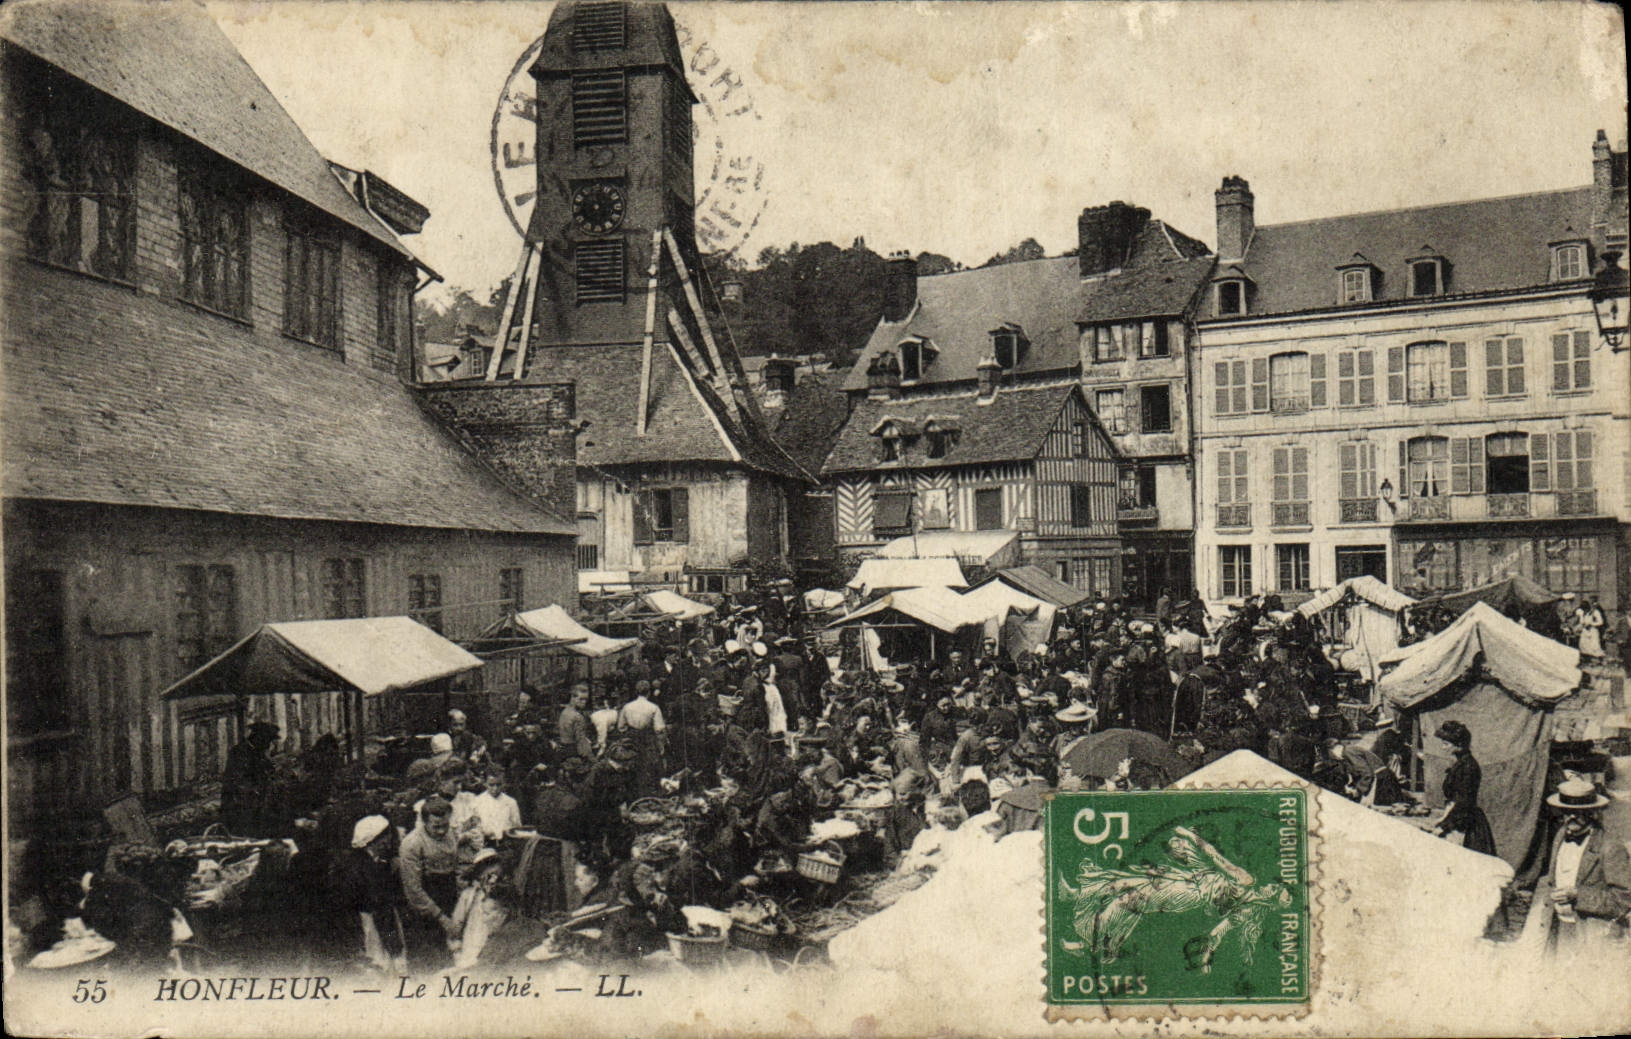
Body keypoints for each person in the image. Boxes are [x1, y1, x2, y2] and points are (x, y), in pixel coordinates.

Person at [1543, 778, 1631, 949]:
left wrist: (1578, 895)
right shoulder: (1561, 835)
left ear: (1593, 813)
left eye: (1580, 812)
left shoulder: (1610, 847)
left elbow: (1624, 901)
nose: (1572, 817)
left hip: (1595, 938)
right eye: (1566, 812)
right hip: (1561, 930)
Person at [327, 815, 405, 973]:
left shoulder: (359, 861)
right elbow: (380, 910)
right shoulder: (367, 869)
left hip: (366, 923)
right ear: (377, 840)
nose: (390, 842)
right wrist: (394, 945)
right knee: (381, 966)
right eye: (387, 837)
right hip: (371, 926)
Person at [398, 796, 462, 969]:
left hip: (448, 898)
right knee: (427, 962)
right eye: (436, 827)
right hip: (424, 909)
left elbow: (456, 866)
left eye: (445, 825)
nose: (442, 831)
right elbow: (414, 890)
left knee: (451, 960)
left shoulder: (451, 834)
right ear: (424, 822)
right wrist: (443, 919)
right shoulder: (412, 843)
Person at [1429, 721, 1497, 856]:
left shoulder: (1468, 767)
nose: (1443, 748)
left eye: (1446, 744)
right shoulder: (1460, 763)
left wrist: (1445, 825)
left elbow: (1463, 802)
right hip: (1455, 815)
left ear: (1459, 745)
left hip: (1463, 821)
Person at [220, 721, 281, 835]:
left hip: (255, 802)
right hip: (240, 803)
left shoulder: (257, 751)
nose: (269, 745)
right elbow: (239, 781)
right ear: (259, 739)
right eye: (268, 740)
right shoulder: (240, 752)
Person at [617, 680, 668, 794]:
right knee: (649, 766)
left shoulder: (627, 707)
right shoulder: (653, 707)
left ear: (636, 692)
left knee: (633, 765)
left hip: (631, 738)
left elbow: (621, 727)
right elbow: (659, 729)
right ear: (648, 692)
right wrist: (661, 746)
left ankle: (634, 791)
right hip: (647, 738)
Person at [472, 765, 523, 842]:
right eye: (491, 785)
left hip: (506, 843)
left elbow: (517, 826)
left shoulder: (510, 802)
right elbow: (474, 826)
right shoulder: (477, 801)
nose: (495, 788)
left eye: (498, 784)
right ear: (485, 783)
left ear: (503, 783)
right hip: (485, 843)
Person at [557, 683, 595, 761]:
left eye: (586, 699)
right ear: (573, 697)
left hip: (563, 750)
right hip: (574, 753)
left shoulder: (564, 712)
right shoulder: (577, 717)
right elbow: (581, 741)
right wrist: (591, 758)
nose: (584, 702)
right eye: (581, 699)